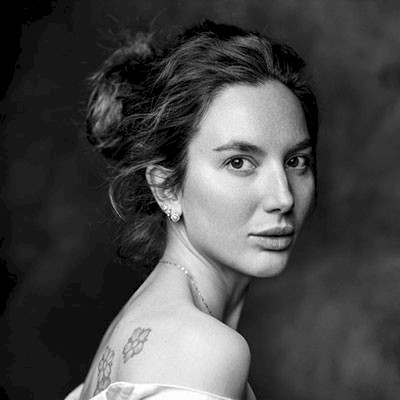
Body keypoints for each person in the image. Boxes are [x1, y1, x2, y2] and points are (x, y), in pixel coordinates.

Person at [65, 19, 318, 400]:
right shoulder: (200, 349)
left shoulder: (143, 324)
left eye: (296, 161)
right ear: (166, 187)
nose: (283, 198)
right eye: (239, 162)